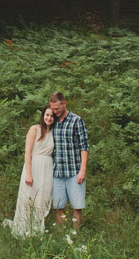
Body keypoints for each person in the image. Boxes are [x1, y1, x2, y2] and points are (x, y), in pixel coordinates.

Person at [3, 105, 56, 237]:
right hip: (34, 166)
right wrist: (29, 173)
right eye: (47, 115)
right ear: (43, 115)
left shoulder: (54, 133)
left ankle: (36, 230)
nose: (49, 118)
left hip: (47, 168)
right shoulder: (35, 129)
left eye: (52, 116)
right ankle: (22, 229)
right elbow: (27, 152)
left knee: (42, 199)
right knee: (28, 198)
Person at [49, 91, 89, 228]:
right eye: (52, 108)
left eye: (57, 108)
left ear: (64, 104)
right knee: (58, 207)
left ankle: (76, 236)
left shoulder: (76, 120)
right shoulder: (52, 121)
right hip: (57, 172)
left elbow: (84, 146)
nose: (54, 111)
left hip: (74, 171)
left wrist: (82, 170)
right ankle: (60, 236)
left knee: (76, 207)